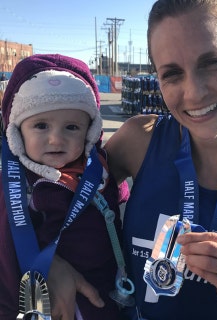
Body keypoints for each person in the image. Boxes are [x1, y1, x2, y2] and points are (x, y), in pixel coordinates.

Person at [47, 1, 217, 319]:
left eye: (211, 63)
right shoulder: (139, 140)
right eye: (172, 74)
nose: (194, 92)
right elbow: (43, 198)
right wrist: (51, 263)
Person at [0, 54, 127, 319]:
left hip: (104, 292)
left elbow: (121, 205)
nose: (56, 138)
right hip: (46, 301)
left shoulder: (99, 172)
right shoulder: (17, 185)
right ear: (16, 133)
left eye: (71, 127)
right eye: (41, 125)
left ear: (90, 133)